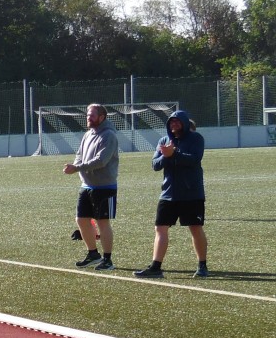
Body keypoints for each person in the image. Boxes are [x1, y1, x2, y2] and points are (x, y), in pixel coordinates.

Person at [135, 110, 209, 279]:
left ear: (184, 122)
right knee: (160, 228)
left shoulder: (196, 138)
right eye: (171, 122)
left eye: (177, 122)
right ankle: (156, 267)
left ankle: (202, 265)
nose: (174, 125)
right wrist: (167, 156)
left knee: (195, 228)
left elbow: (194, 159)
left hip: (192, 193)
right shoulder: (164, 140)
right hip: (168, 194)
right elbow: (155, 165)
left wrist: (173, 154)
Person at [63, 103, 119, 272]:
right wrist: (75, 165)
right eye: (88, 115)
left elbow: (102, 160)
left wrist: (78, 168)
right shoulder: (88, 135)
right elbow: (79, 155)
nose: (88, 118)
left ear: (102, 117)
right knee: (81, 220)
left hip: (105, 187)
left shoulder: (109, 135)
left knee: (103, 222)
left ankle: (108, 259)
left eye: (92, 115)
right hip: (86, 186)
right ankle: (93, 254)